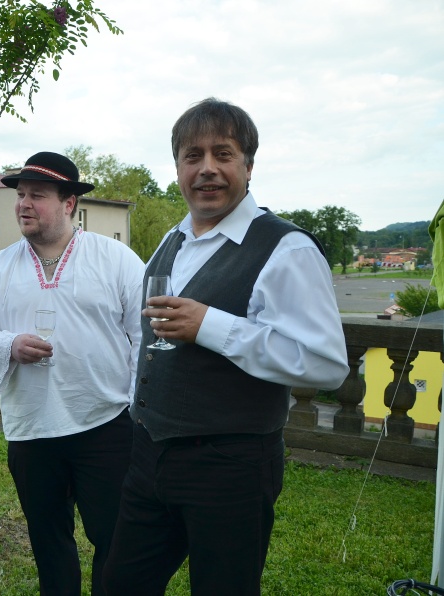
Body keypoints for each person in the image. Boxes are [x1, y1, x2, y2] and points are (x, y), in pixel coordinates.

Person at [101, 98, 350, 595]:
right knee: (120, 585)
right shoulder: (171, 240)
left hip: (231, 466)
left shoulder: (287, 248)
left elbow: (326, 365)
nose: (207, 168)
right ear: (178, 168)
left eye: (223, 154)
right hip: (149, 455)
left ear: (248, 166)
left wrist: (212, 326)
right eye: (193, 156)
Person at [0, 151, 145, 596]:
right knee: (49, 544)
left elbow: (146, 335)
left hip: (105, 424)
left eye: (37, 195)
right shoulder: (0, 267)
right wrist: (9, 345)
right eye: (20, 195)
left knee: (115, 540)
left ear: (69, 203)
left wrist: (139, 408)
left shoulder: (115, 259)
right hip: (31, 430)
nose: (23, 204)